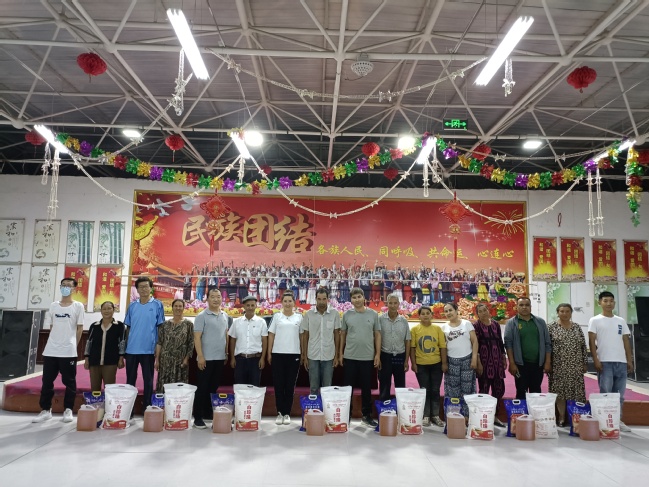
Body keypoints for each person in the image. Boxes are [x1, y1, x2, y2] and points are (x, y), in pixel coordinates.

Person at [32, 277, 85, 423]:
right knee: (47, 381)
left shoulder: (78, 306)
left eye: (68, 285)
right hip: (51, 350)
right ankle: (45, 410)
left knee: (69, 381)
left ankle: (68, 409)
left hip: (68, 351)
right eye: (63, 285)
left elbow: (80, 328)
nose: (65, 287)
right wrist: (55, 341)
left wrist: (73, 344)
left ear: (74, 289)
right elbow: (52, 326)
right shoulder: (54, 305)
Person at [588, 291, 634, 433]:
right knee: (606, 393)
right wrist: (596, 359)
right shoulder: (595, 320)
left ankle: (617, 420)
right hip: (605, 362)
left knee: (619, 395)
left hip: (621, 362)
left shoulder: (620, 321)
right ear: (599, 303)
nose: (609, 303)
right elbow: (591, 341)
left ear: (614, 303)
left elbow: (626, 341)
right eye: (605, 301)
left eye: (611, 301)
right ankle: (605, 420)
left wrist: (629, 360)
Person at [339, 287, 381, 427]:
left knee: (366, 388)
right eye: (354, 297)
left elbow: (377, 334)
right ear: (351, 300)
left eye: (359, 297)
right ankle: (346, 416)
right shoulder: (347, 315)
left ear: (364, 298)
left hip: (367, 357)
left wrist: (377, 354)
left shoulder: (373, 314)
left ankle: (366, 415)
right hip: (350, 356)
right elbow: (343, 334)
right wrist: (340, 353)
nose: (357, 300)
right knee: (347, 389)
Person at [124, 276, 165, 413]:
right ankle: (129, 410)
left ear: (151, 288)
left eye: (146, 286)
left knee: (148, 380)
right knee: (130, 381)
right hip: (131, 350)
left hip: (148, 350)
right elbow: (128, 328)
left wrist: (158, 348)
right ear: (137, 289)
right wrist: (125, 348)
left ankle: (146, 407)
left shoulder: (157, 305)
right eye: (140, 287)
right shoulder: (132, 306)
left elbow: (160, 328)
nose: (143, 289)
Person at [193, 288, 231, 429]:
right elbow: (197, 337)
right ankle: (197, 417)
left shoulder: (225, 315)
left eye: (218, 296)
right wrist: (200, 356)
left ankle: (208, 412)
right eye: (213, 297)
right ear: (207, 299)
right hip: (206, 359)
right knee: (202, 388)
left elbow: (225, 335)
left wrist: (226, 353)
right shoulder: (201, 316)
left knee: (213, 387)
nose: (216, 299)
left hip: (219, 358)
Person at [504, 296, 551, 400]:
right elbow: (508, 344)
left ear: (530, 307)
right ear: (517, 307)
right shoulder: (512, 323)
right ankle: (522, 410)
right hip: (520, 365)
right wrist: (512, 363)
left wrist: (547, 362)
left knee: (536, 392)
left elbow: (547, 343)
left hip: (538, 364)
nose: (524, 307)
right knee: (521, 392)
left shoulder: (540, 322)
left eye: (527, 305)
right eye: (521, 305)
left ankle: (535, 410)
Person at [548, 303, 587, 427]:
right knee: (559, 391)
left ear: (571, 313)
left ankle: (575, 417)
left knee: (576, 391)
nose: (565, 314)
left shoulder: (577, 327)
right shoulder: (551, 327)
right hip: (558, 365)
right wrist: (547, 363)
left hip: (575, 365)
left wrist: (584, 363)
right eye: (562, 311)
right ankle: (561, 417)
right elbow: (547, 347)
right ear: (557, 313)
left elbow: (583, 346)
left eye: (567, 311)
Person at [268, 291, 303, 425]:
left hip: (294, 354)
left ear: (294, 303)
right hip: (278, 354)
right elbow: (271, 335)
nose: (288, 304)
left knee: (289, 385)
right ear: (281, 303)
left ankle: (287, 413)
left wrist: (303, 353)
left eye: (290, 301)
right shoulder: (277, 317)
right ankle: (279, 413)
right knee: (279, 385)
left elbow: (302, 336)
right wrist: (269, 353)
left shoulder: (299, 317)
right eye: (285, 301)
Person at [410, 306, 447, 427]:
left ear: (432, 315)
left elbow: (442, 347)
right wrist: (413, 363)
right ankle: (426, 415)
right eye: (423, 313)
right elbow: (412, 348)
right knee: (424, 390)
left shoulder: (437, 329)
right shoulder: (415, 330)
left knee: (435, 390)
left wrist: (444, 363)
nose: (425, 315)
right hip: (421, 365)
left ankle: (435, 415)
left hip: (436, 364)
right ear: (419, 316)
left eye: (428, 313)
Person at [300, 287, 341, 394]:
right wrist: (304, 356)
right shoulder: (309, 314)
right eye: (319, 299)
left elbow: (337, 335)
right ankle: (315, 405)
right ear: (315, 299)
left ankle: (326, 405)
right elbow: (305, 336)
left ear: (328, 299)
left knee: (327, 387)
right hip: (312, 355)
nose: (321, 302)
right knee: (313, 387)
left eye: (324, 299)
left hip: (329, 355)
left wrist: (336, 355)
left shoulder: (334, 314)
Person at [440, 302, 478, 418]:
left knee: (467, 389)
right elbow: (443, 347)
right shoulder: (444, 328)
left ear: (456, 311)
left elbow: (475, 341)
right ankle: (454, 416)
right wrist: (444, 363)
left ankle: (467, 416)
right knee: (453, 389)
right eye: (446, 311)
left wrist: (474, 358)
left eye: (450, 310)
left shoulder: (467, 324)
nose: (448, 313)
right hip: (452, 362)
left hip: (467, 360)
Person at [473, 303, 507, 427]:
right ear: (477, 314)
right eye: (480, 311)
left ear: (488, 310)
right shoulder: (476, 326)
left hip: (497, 361)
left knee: (499, 389)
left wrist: (503, 357)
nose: (483, 313)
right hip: (484, 361)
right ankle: (483, 416)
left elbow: (500, 342)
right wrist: (478, 362)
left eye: (485, 310)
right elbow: (475, 345)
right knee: (484, 390)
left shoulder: (495, 324)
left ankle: (495, 415)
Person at [84, 301, 126, 392]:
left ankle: (109, 402)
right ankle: (96, 401)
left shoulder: (119, 325)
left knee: (110, 389)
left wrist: (121, 358)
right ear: (101, 311)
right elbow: (89, 342)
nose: (106, 311)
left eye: (109, 308)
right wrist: (87, 358)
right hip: (94, 361)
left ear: (113, 310)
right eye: (104, 309)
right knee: (95, 389)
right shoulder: (94, 326)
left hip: (110, 362)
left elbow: (122, 342)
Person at [155, 299, 194, 392]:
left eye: (180, 306)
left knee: (179, 387)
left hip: (180, 361)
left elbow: (191, 343)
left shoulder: (189, 324)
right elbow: (159, 343)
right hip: (165, 360)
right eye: (176, 306)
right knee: (164, 385)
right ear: (172, 308)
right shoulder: (164, 324)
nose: (178, 308)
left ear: (183, 308)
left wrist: (186, 359)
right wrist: (157, 360)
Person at [229, 295, 268, 386]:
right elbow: (232, 340)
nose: (250, 308)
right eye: (248, 305)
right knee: (240, 387)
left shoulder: (261, 322)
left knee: (254, 387)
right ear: (244, 306)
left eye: (252, 305)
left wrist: (262, 358)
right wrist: (232, 358)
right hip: (240, 360)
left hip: (255, 360)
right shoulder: (236, 322)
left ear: (256, 306)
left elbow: (264, 341)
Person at [378, 293, 411, 400]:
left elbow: (407, 341)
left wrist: (406, 360)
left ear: (399, 304)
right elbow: (377, 339)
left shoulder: (403, 321)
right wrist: (378, 357)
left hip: (400, 356)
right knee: (384, 384)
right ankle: (384, 406)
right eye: (390, 303)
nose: (393, 305)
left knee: (400, 385)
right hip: (385, 356)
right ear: (387, 304)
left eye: (395, 303)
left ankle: (401, 407)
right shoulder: (380, 319)